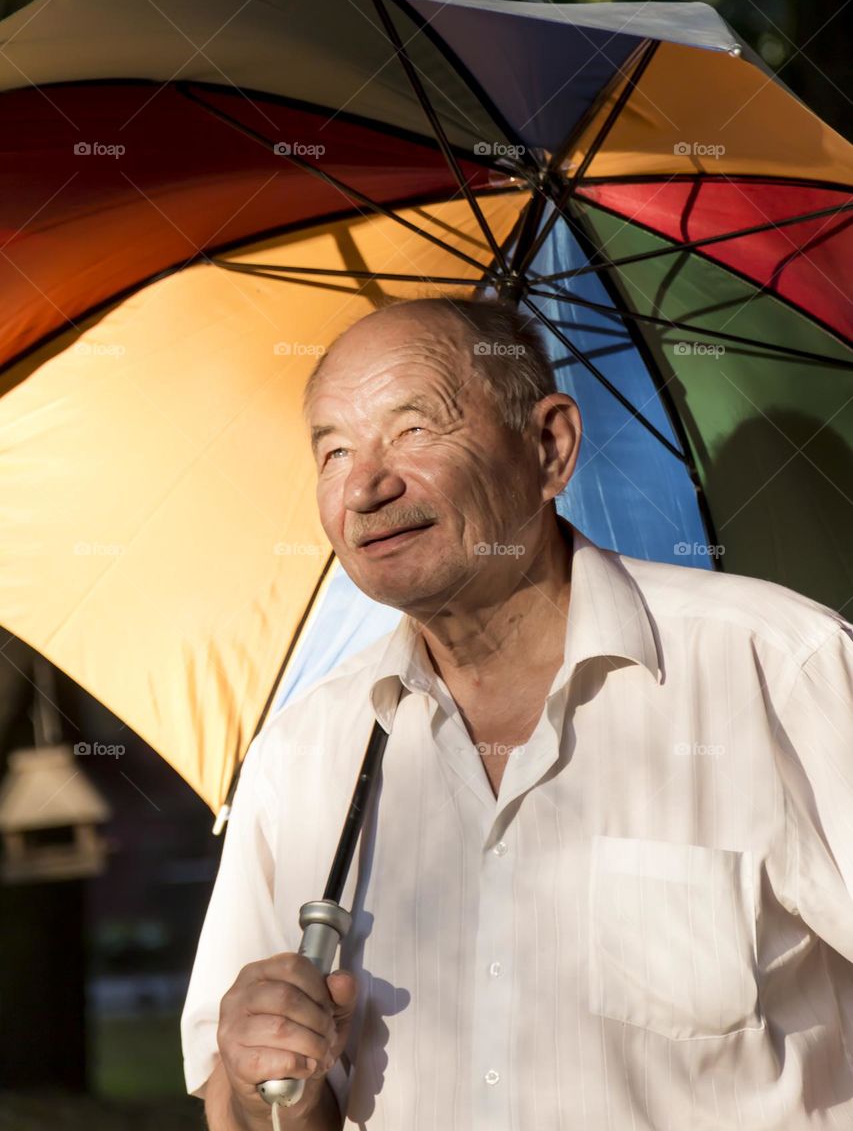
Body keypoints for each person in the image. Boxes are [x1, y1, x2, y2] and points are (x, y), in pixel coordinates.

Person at [181, 295, 853, 1130]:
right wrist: (255, 1082)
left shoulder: (774, 669)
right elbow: (249, 1108)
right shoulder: (305, 750)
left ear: (549, 447)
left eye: (414, 430)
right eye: (333, 451)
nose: (365, 485)